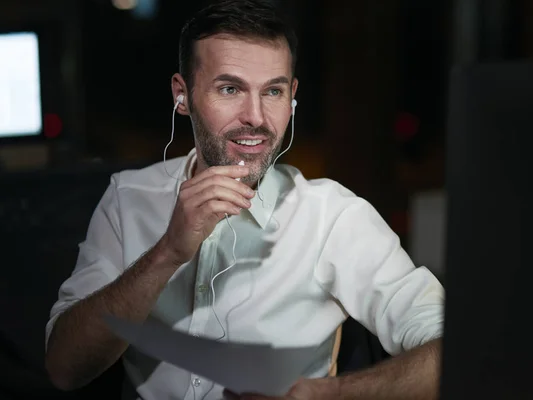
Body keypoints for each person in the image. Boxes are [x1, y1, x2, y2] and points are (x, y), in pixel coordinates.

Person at [44, 0, 445, 399]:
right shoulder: (128, 198)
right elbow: (65, 368)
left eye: (273, 91)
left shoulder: (334, 217)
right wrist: (167, 252)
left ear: (292, 98)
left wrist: (330, 395)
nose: (255, 116)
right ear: (182, 96)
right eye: (230, 88)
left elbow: (452, 351)